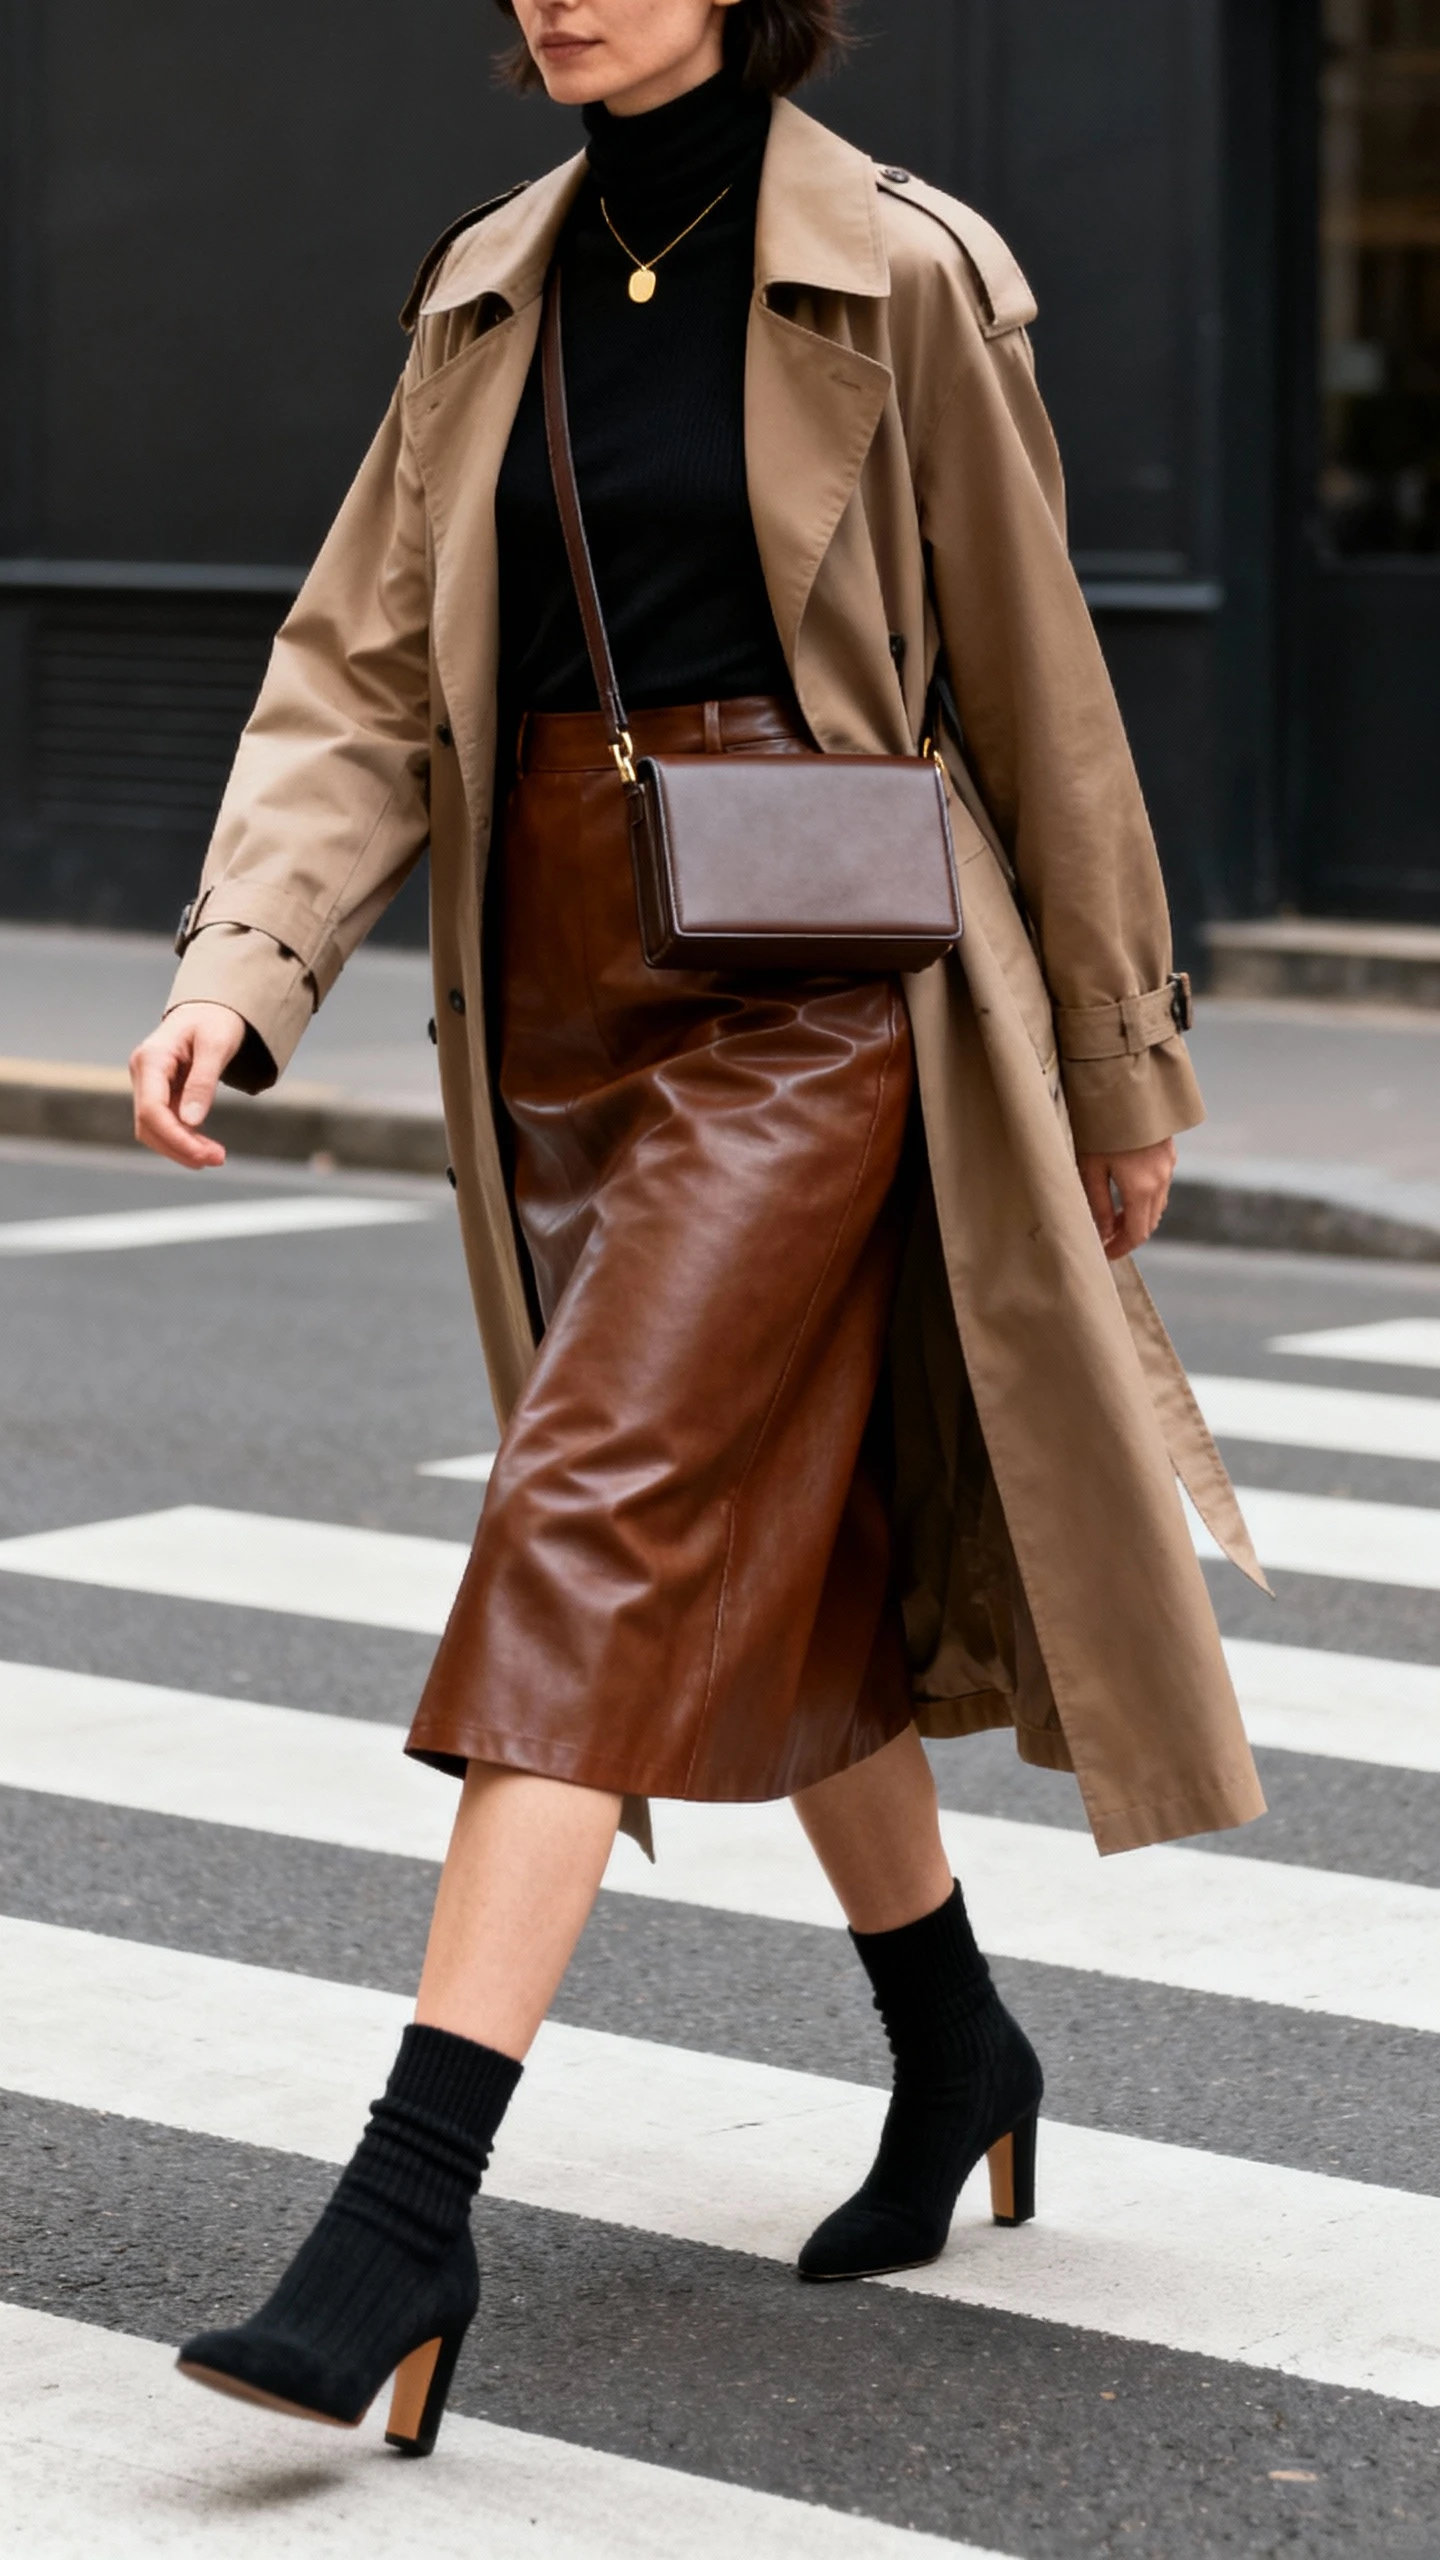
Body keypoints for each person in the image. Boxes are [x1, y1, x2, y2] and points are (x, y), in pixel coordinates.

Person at [129, 0, 1265, 2457]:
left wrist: (1114, 1056)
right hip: (552, 977)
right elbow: (354, 674)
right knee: (778, 1544)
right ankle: (955, 2037)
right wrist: (247, 963)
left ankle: (406, 2208)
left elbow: (1045, 691)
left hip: (813, 977)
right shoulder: (487, 284)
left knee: (593, 1503)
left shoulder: (905, 271)